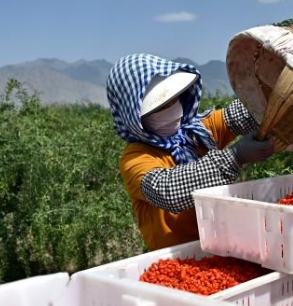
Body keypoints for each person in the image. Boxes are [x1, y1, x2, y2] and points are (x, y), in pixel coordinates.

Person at [106, 53, 276, 251]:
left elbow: (241, 114)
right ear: (133, 116)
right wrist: (235, 156)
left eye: (173, 100)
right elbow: (167, 190)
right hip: (177, 261)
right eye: (159, 107)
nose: (172, 109)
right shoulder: (135, 158)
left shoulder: (198, 131)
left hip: (223, 247)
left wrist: (272, 91)